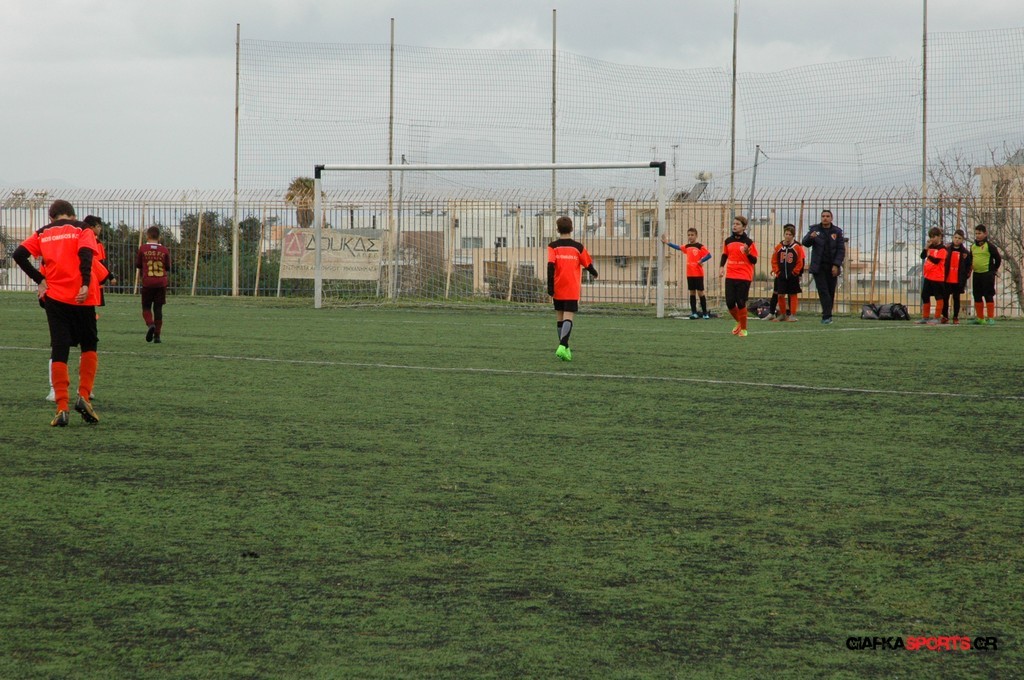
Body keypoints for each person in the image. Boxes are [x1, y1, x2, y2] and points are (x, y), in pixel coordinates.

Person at [12, 199, 107, 426]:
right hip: (82, 297)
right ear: (73, 216)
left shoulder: (43, 232)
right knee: (89, 345)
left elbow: (18, 255)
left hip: (55, 297)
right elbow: (86, 254)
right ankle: (84, 396)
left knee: (59, 349)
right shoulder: (82, 228)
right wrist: (85, 283)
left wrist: (40, 279)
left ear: (51, 217)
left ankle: (62, 406)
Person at [46, 215, 113, 402]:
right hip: (79, 300)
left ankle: (60, 393)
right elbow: (98, 270)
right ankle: (81, 391)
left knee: (60, 347)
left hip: (61, 301)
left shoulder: (51, 243)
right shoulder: (81, 241)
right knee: (85, 345)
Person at [547, 216, 598, 361]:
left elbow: (550, 266)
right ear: (572, 229)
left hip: (558, 286)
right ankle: (563, 345)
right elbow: (587, 264)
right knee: (568, 317)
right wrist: (594, 273)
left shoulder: (552, 246)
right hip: (572, 287)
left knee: (560, 318)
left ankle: (565, 349)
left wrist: (550, 286)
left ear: (557, 229)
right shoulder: (578, 247)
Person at [801, 209, 846, 325]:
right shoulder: (815, 229)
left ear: (831, 218)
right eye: (823, 216)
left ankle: (828, 314)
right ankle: (826, 316)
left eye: (827, 216)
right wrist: (810, 237)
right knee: (823, 291)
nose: (825, 218)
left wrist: (836, 265)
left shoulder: (837, 232)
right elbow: (805, 242)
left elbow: (841, 250)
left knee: (830, 291)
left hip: (832, 266)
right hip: (819, 266)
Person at [719, 215, 758, 337]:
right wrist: (721, 267)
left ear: (744, 227)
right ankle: (740, 322)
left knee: (741, 303)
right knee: (730, 303)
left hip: (744, 276)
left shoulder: (749, 242)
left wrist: (747, 253)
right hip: (731, 275)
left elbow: (754, 260)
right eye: (734, 223)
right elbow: (725, 255)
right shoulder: (728, 241)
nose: (734, 226)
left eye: (737, 224)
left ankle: (744, 329)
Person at [662, 227, 712, 318]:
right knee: (692, 292)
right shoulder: (687, 247)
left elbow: (709, 255)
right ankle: (694, 313)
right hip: (690, 274)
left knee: (700, 293)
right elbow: (677, 247)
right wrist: (667, 242)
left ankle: (705, 313)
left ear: (696, 236)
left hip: (698, 274)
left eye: (692, 235)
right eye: (689, 235)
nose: (690, 237)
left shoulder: (700, 246)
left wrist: (701, 260)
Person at [136, 225, 171, 343]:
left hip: (148, 282)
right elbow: (168, 267)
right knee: (158, 309)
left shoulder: (143, 248)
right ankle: (157, 336)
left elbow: (138, 265)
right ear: (159, 237)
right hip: (161, 283)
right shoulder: (164, 250)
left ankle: (150, 324)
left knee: (146, 307)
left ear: (147, 236)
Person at [769, 224, 806, 322]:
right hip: (781, 275)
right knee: (780, 294)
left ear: (793, 236)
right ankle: (782, 314)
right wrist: (777, 271)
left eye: (790, 235)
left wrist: (795, 272)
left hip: (792, 276)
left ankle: (792, 314)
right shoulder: (779, 247)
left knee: (793, 294)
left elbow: (800, 262)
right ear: (784, 234)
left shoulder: (797, 247)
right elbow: (774, 260)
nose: (788, 236)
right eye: (786, 234)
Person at [969, 224, 1001, 325]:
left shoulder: (990, 246)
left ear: (985, 234)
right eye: (976, 233)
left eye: (979, 233)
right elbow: (970, 259)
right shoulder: (973, 246)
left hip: (987, 274)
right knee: (977, 295)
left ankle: (990, 318)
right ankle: (980, 318)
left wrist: (994, 269)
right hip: (977, 274)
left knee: (988, 295)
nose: (977, 235)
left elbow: (998, 258)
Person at [915, 227, 947, 325]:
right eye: (931, 237)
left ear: (939, 237)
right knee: (925, 295)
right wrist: (926, 248)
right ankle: (925, 317)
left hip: (937, 277)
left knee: (938, 297)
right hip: (928, 276)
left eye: (934, 237)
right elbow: (922, 256)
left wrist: (929, 254)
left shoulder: (942, 249)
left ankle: (937, 317)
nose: (932, 239)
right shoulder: (930, 247)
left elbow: (936, 261)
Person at [943, 229, 971, 325]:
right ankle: (945, 316)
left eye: (959, 238)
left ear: (962, 240)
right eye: (955, 237)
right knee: (945, 298)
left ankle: (955, 317)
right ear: (952, 238)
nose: (957, 240)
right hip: (947, 278)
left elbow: (969, 265)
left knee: (956, 298)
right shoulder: (947, 249)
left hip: (958, 279)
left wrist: (965, 276)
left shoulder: (965, 252)